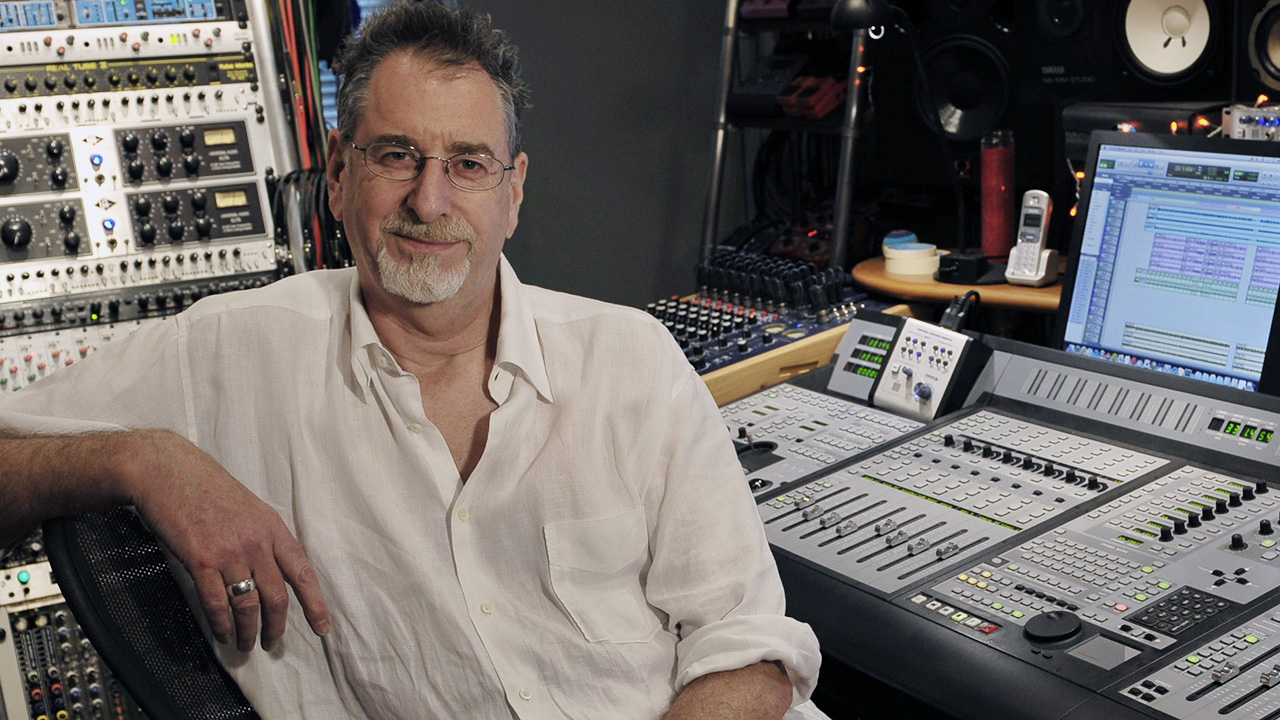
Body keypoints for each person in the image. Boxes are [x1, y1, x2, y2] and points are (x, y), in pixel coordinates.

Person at [0, 2, 824, 718]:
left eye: (467, 164)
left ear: (515, 189)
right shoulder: (228, 351)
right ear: (337, 172)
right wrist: (145, 457)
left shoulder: (630, 360)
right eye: (396, 156)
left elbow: (748, 647)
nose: (429, 202)